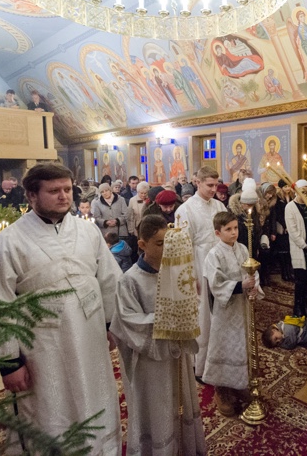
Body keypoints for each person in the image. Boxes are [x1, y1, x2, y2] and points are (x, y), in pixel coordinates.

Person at [0, 163, 121, 454]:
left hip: (90, 340)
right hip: (43, 349)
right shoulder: (9, 241)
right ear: (31, 196)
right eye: (54, 191)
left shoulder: (87, 232)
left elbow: (109, 281)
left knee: (95, 400)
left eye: (67, 189)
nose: (64, 196)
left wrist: (110, 323)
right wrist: (9, 363)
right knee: (50, 411)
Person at [109, 215, 206, 455]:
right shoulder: (130, 281)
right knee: (157, 408)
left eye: (169, 244)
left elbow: (189, 303)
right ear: (142, 245)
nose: (166, 250)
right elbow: (129, 323)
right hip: (149, 362)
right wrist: (170, 318)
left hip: (177, 353)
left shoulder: (174, 273)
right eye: (160, 244)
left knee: (182, 400)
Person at [202, 211, 261, 416]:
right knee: (225, 345)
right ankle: (222, 390)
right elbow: (216, 284)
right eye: (228, 229)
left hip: (242, 306)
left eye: (236, 228)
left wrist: (254, 286)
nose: (234, 232)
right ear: (218, 233)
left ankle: (240, 383)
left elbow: (253, 271)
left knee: (242, 343)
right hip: (225, 310)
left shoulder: (243, 248)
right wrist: (239, 285)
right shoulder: (213, 254)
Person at [174, 166, 227, 379]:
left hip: (220, 263)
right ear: (198, 183)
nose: (214, 189)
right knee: (202, 315)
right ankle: (201, 363)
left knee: (221, 312)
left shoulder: (219, 205)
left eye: (216, 185)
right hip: (199, 264)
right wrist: (191, 275)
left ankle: (220, 357)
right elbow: (183, 246)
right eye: (210, 185)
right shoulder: (185, 210)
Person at [285, 179, 307, 318]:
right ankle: (297, 307)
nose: (306, 194)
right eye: (303, 192)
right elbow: (293, 231)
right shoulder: (290, 207)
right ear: (296, 191)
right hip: (300, 249)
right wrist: (304, 245)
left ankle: (305, 305)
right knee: (300, 281)